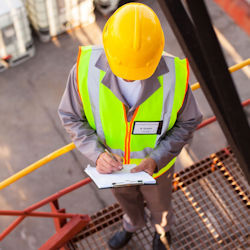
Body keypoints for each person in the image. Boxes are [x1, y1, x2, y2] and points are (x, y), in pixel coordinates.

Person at [58, 3, 202, 250]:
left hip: (157, 168)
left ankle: (162, 230)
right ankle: (132, 224)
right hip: (114, 171)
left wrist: (157, 158)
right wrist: (97, 154)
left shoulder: (175, 76)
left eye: (139, 71)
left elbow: (188, 121)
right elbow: (71, 117)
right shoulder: (83, 71)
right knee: (127, 203)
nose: (130, 77)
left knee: (161, 206)